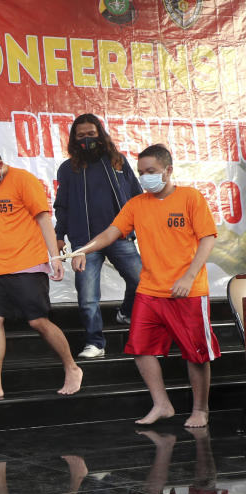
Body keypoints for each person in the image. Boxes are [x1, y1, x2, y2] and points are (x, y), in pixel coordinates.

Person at [64, 144, 219, 427]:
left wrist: (188, 276)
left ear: (168, 170)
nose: (146, 177)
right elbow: (111, 232)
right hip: (149, 289)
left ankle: (201, 410)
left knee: (196, 354)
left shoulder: (191, 198)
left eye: (151, 172)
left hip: (188, 290)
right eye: (141, 173)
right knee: (140, 348)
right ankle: (162, 405)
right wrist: (83, 250)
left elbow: (208, 238)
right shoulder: (136, 204)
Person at [0, 145, 83, 400]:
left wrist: (55, 258)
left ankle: (72, 368)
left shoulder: (23, 180)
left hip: (28, 263)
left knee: (38, 321)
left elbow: (42, 218)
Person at [54, 113, 143, 358]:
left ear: (100, 134)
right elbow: (62, 205)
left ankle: (126, 313)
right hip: (84, 243)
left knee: (142, 282)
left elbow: (137, 196)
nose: (86, 140)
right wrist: (59, 235)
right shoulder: (68, 169)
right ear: (74, 139)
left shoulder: (118, 162)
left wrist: (140, 228)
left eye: (91, 135)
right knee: (87, 297)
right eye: (80, 136)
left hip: (119, 237)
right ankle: (95, 343)